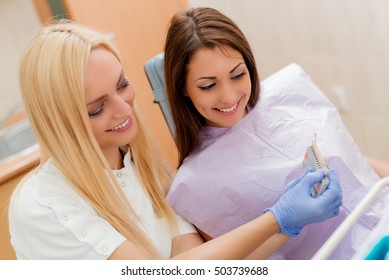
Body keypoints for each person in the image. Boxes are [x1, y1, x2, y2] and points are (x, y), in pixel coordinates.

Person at [7, 20, 342, 260]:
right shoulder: (43, 206)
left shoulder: (142, 167)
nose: (124, 109)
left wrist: (290, 222)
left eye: (123, 85)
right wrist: (277, 218)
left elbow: (199, 263)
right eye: (96, 108)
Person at [163, 7, 386, 259]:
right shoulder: (193, 185)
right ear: (182, 86)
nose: (229, 96)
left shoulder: (290, 91)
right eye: (208, 85)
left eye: (237, 75)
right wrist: (284, 222)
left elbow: (355, 160)